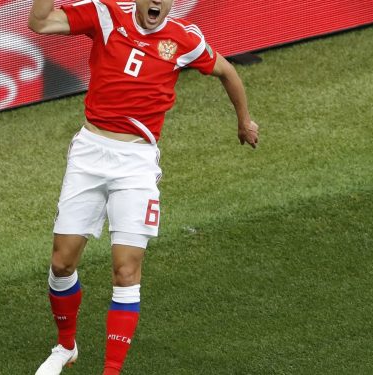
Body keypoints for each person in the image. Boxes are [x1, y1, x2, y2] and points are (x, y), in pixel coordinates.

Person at [27, 0, 259, 373]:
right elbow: (39, 23)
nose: (155, 2)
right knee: (61, 262)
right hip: (90, 153)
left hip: (135, 163)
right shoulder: (104, 14)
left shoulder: (183, 39)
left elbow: (227, 71)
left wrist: (244, 121)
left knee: (126, 271)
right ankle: (65, 346)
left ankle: (111, 371)